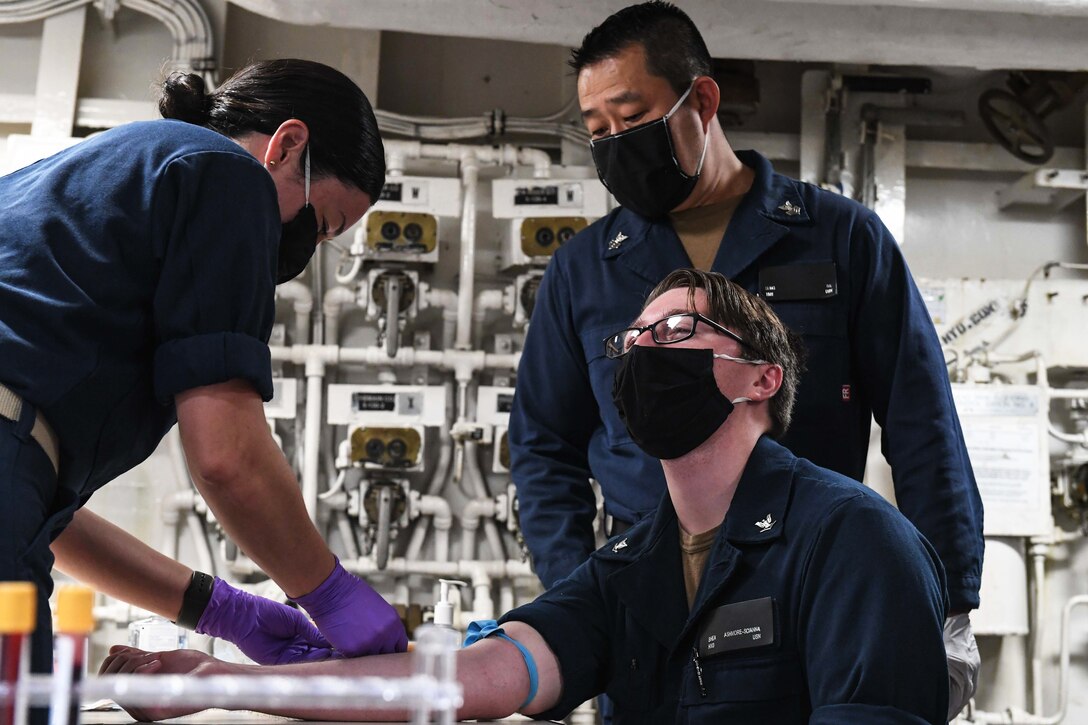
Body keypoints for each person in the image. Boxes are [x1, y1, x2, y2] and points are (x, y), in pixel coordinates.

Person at [102, 269, 950, 725]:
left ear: (761, 377)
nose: (649, 350)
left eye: (681, 332)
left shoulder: (853, 541)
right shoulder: (625, 569)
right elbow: (464, 682)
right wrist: (222, 680)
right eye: (636, 338)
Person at [507, 2, 982, 716]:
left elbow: (923, 423)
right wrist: (587, 598)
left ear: (701, 99)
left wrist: (952, 604)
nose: (613, 145)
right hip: (652, 613)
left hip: (816, 600)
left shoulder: (840, 238)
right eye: (596, 130)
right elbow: (542, 445)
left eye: (631, 118)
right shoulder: (585, 272)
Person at [0, 58, 408, 692]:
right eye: (321, 222)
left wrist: (223, 610)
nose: (306, 245)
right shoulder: (227, 176)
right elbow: (226, 456)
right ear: (288, 144)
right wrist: (330, 594)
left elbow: (43, 514)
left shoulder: (101, 172)